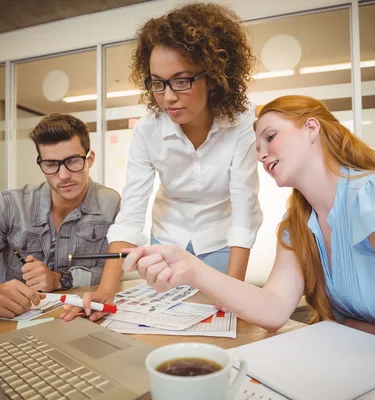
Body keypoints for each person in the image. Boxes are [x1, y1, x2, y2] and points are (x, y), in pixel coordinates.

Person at [121, 95, 375, 377]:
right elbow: (274, 309)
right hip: (361, 369)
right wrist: (192, 269)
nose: (262, 155)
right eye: (257, 147)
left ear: (312, 128)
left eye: (271, 137)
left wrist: (345, 328)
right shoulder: (297, 224)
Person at [62, 3, 262, 322]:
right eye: (157, 82)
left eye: (181, 81)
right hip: (167, 239)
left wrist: (234, 293)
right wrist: (106, 292)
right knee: (166, 324)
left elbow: (244, 211)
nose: (168, 97)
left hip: (221, 240)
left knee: (221, 322)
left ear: (212, 78)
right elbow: (131, 214)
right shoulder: (148, 130)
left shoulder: (241, 123)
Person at [0, 114, 120, 318]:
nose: (64, 175)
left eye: (73, 162)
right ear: (41, 164)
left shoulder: (111, 204)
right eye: (51, 165)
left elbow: (116, 271)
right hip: (12, 324)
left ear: (90, 159)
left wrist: (61, 279)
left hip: (81, 320)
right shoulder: (8, 205)